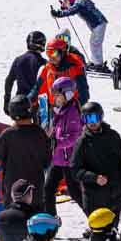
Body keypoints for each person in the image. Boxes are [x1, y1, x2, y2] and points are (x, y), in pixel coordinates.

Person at [70, 100, 121, 224]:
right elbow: (75, 170)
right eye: (87, 119)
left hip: (114, 194)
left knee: (113, 230)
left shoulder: (113, 136)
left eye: (94, 118)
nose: (92, 122)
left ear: (101, 117)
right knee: (100, 233)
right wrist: (94, 177)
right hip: (93, 197)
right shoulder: (82, 142)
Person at [45, 77, 83, 211]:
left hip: (68, 159)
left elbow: (74, 137)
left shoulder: (72, 112)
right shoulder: (61, 110)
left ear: (68, 94)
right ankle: (50, 221)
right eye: (54, 94)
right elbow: (56, 131)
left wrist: (56, 142)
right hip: (58, 158)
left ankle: (95, 219)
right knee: (48, 189)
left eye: (57, 94)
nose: (55, 97)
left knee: (75, 192)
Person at [51, 0, 109, 70]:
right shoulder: (80, 1)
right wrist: (65, 8)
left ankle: (98, 64)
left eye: (67, 0)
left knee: (95, 43)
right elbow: (72, 8)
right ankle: (96, 62)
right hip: (98, 23)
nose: (66, 2)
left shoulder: (79, 3)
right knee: (94, 42)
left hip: (99, 23)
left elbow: (73, 10)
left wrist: (60, 13)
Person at [32, 35, 90, 105]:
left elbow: (83, 93)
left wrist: (75, 110)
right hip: (54, 108)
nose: (51, 57)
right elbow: (37, 88)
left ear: (62, 52)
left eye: (53, 53)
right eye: (48, 53)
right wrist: (26, 101)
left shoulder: (74, 68)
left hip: (70, 109)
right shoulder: (48, 68)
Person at [4, 31, 46, 99]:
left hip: (18, 102)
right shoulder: (44, 63)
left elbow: (9, 81)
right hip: (36, 104)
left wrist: (6, 100)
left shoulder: (18, 60)